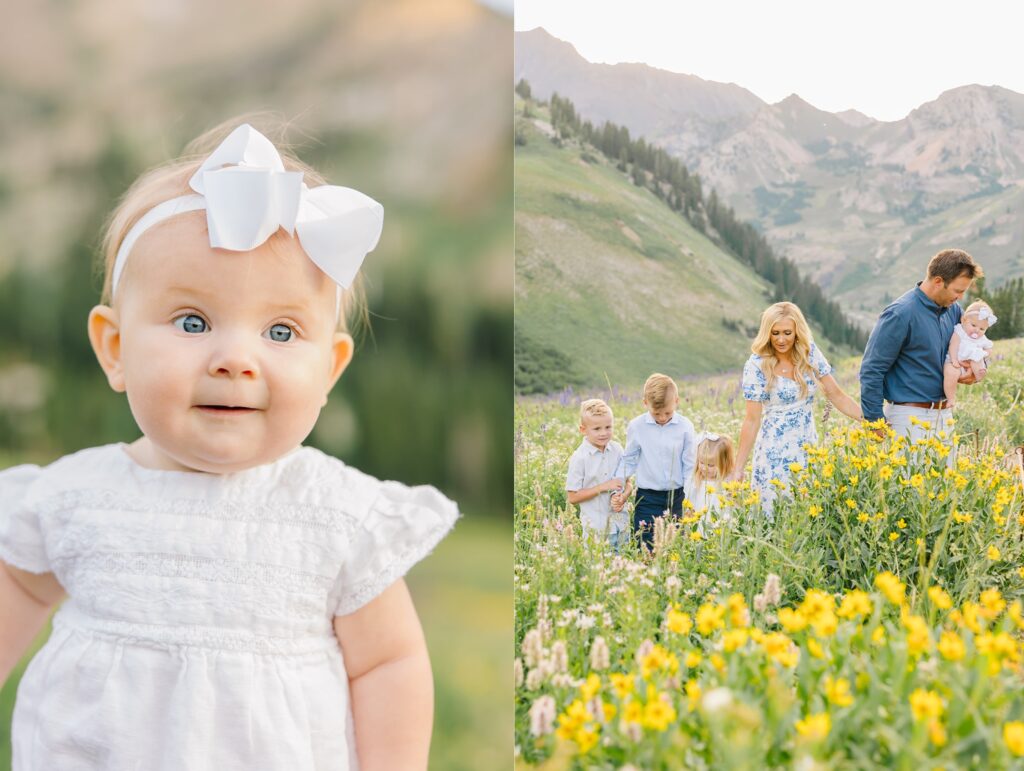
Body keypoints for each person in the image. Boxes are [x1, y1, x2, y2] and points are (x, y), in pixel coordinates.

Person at [0, 122, 458, 770]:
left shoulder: (337, 514)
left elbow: (388, 660)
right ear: (116, 348)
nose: (236, 359)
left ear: (329, 370)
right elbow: (16, 586)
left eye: (279, 329)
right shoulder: (73, 497)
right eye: (193, 321)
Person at [731, 302, 862, 516]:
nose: (781, 339)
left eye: (787, 333)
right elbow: (751, 420)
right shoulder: (756, 365)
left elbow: (836, 395)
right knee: (774, 517)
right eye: (775, 333)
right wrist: (738, 469)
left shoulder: (808, 353)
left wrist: (870, 421)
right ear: (767, 333)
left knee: (808, 516)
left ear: (797, 332)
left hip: (807, 449)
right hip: (773, 454)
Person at [860, 248, 983, 447]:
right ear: (938, 282)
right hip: (907, 418)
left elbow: (973, 343)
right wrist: (875, 421)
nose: (960, 297)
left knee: (945, 479)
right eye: (958, 291)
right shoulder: (900, 314)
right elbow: (872, 369)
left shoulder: (953, 312)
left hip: (944, 417)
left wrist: (972, 370)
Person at [611, 373, 696, 551]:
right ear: (645, 404)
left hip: (678, 496)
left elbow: (689, 465)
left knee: (676, 545)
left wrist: (690, 499)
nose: (663, 418)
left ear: (677, 401)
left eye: (667, 412)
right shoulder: (637, 426)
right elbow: (629, 460)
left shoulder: (685, 427)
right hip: (647, 497)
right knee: (645, 544)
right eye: (656, 413)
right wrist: (617, 489)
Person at [565, 399, 631, 549]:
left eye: (608, 427)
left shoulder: (617, 449)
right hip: (596, 530)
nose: (603, 433)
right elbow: (572, 497)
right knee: (598, 569)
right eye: (597, 429)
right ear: (583, 429)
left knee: (623, 566)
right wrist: (603, 487)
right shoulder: (580, 457)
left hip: (621, 524)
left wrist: (623, 496)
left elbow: (628, 483)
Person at [943, 299, 996, 407]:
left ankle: (978, 374)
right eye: (973, 325)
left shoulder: (982, 338)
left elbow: (989, 348)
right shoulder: (959, 331)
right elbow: (953, 345)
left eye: (982, 329)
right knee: (950, 373)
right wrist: (953, 360)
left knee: (977, 359)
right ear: (963, 320)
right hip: (955, 360)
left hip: (970, 361)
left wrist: (985, 353)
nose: (977, 330)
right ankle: (951, 398)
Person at [686, 432, 736, 532]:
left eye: (711, 465)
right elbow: (690, 502)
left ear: (725, 463)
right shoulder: (696, 480)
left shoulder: (727, 482)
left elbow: (736, 505)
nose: (704, 468)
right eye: (701, 462)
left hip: (720, 525)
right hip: (700, 524)